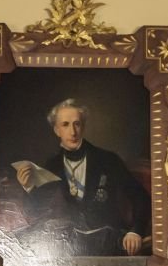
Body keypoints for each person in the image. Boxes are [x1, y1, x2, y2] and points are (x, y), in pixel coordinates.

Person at [14, 98, 150, 256]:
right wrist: (28, 187)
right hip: (68, 246)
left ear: (83, 126)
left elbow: (141, 197)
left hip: (108, 242)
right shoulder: (52, 165)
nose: (73, 132)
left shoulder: (107, 159)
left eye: (77, 124)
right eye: (65, 125)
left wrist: (136, 231)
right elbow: (34, 212)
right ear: (56, 130)